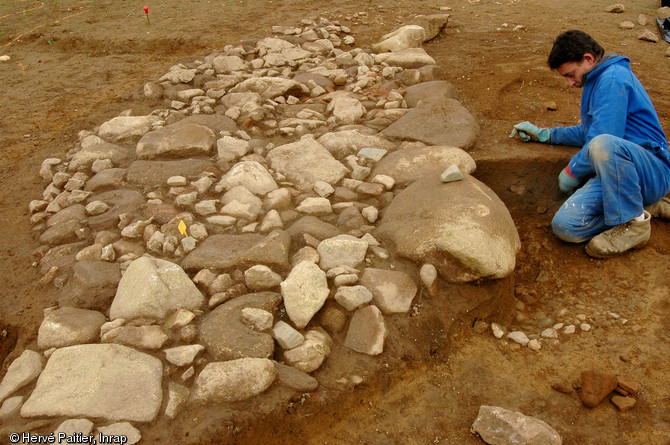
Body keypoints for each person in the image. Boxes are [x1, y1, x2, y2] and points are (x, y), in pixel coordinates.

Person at [509, 30, 670, 258]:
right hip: (621, 174)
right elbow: (588, 132)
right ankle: (642, 204)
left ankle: (635, 226)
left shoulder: (613, 79)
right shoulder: (597, 80)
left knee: (602, 145)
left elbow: (600, 140)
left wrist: (571, 170)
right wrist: (546, 135)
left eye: (570, 74)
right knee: (566, 226)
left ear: (588, 59)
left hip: (652, 169)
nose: (569, 82)